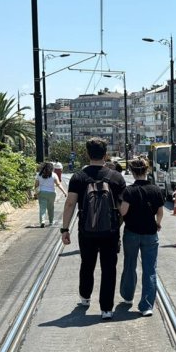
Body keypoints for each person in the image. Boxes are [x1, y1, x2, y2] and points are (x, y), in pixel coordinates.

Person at [61, 137, 127, 320]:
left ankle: (85, 297)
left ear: (87, 154)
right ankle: (106, 308)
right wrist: (119, 225)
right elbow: (123, 208)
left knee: (87, 264)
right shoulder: (116, 177)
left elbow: (69, 204)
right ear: (106, 154)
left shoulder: (78, 177)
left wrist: (64, 229)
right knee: (109, 268)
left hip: (86, 230)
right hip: (110, 231)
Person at [119, 158, 164, 317]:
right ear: (147, 170)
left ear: (132, 171)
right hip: (150, 234)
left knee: (130, 264)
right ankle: (146, 306)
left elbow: (123, 212)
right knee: (150, 269)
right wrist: (158, 223)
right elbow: (160, 212)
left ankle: (128, 296)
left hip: (131, 233)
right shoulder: (155, 190)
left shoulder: (129, 191)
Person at [34, 162, 67, 228]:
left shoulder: (39, 175)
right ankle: (51, 221)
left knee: (42, 208)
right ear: (51, 168)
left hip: (42, 193)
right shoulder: (54, 175)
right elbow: (58, 184)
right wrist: (64, 192)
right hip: (51, 193)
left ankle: (42, 221)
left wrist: (35, 192)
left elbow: (36, 185)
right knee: (51, 208)